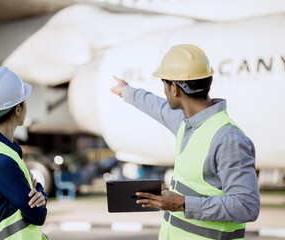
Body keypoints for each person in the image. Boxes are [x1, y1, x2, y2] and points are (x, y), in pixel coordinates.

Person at [110, 44, 260, 240]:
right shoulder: (184, 121)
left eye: (163, 83)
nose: (163, 90)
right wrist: (127, 91)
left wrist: (182, 204)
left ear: (174, 88)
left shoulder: (228, 139)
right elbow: (156, 106)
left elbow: (247, 206)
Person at [0, 66, 48, 239]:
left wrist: (39, 195)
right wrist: (40, 191)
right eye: (24, 100)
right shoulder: (2, 161)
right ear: (17, 109)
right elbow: (37, 215)